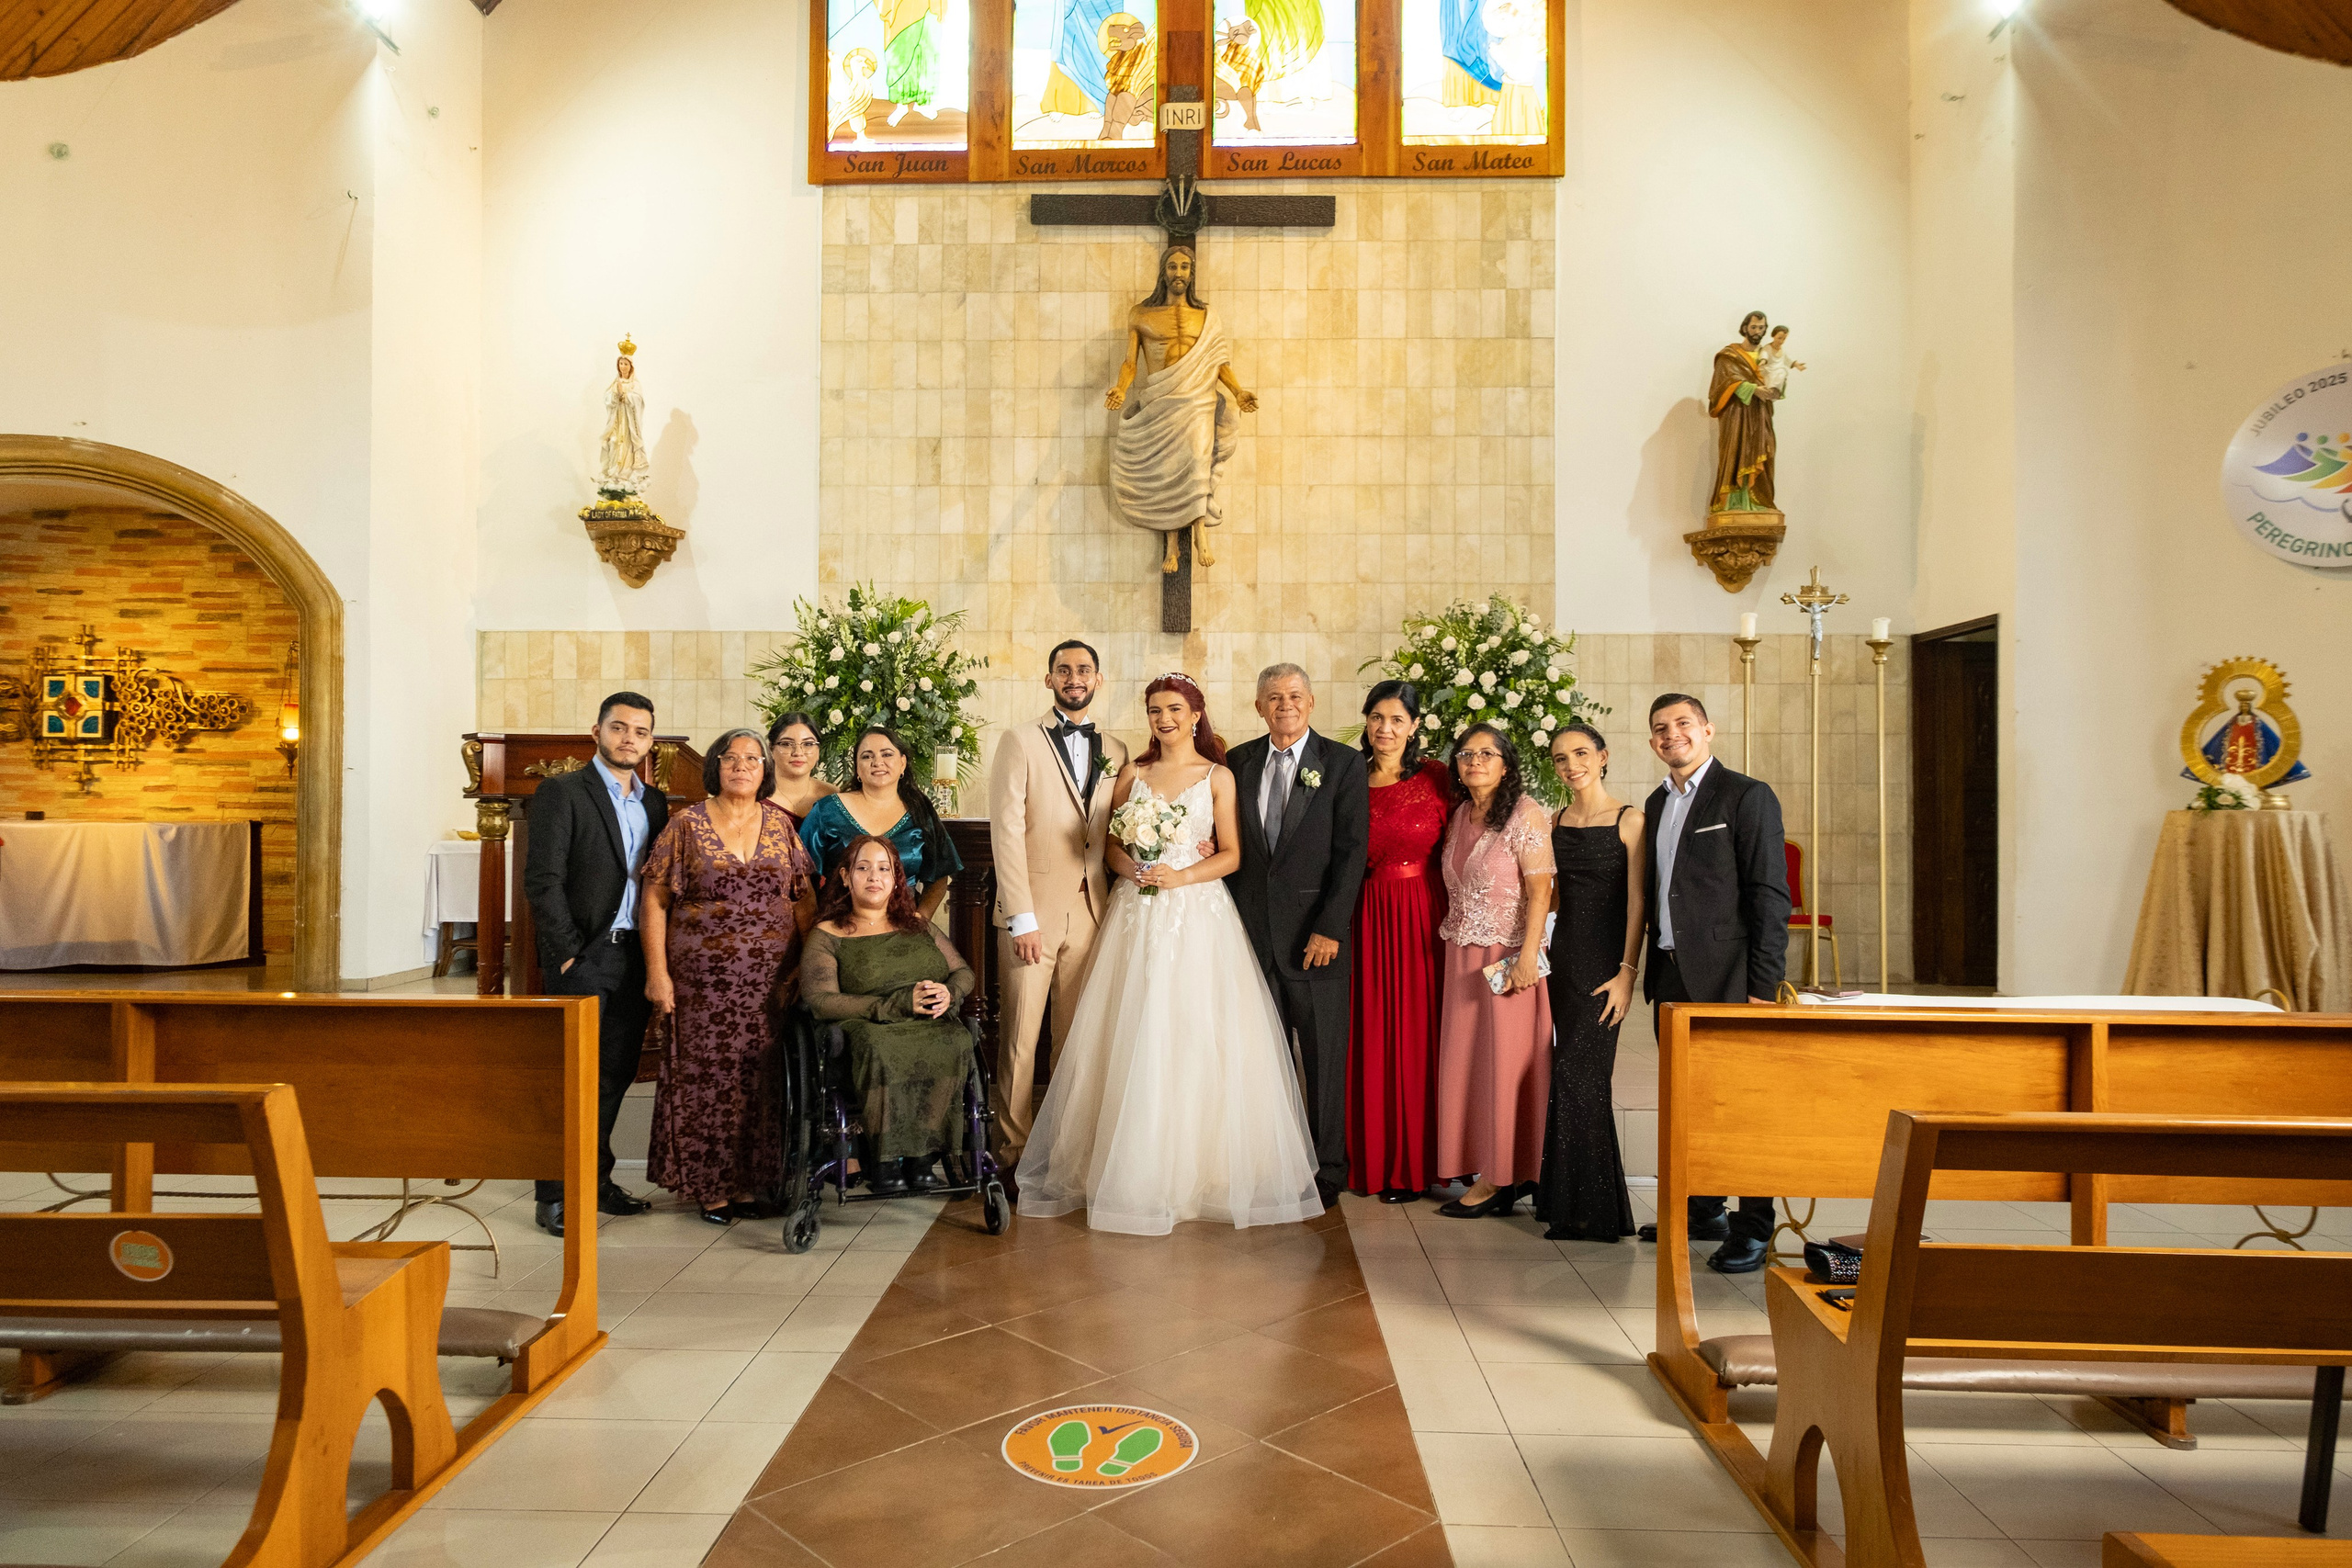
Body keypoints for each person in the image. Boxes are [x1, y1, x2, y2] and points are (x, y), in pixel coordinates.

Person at [1017, 673, 1323, 1235]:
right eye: (1155, 709)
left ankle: (1201, 1171)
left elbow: (1231, 855)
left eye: (1175, 709)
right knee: (1132, 1028)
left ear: (1196, 714)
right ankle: (1128, 1166)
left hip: (1197, 914)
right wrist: (1131, 867)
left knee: (1193, 1031)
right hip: (1136, 912)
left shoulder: (1219, 777)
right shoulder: (1132, 773)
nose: (1164, 718)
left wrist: (1180, 875)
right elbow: (1109, 844)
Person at [1634, 693, 1791, 1272]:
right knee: (1686, 1099)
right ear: (1652, 742)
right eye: (1659, 728)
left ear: (1707, 731)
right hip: (1672, 972)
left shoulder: (1746, 796)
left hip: (1732, 978)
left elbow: (1770, 895)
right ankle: (1703, 1210)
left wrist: (1762, 987)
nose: (1671, 734)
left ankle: (1754, 1225)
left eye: (1682, 724)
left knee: (1740, 1107)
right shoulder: (1656, 803)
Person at [640, 728, 819, 1225]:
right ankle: (709, 1187)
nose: (741, 766)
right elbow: (654, 901)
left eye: (752, 759)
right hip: (701, 983)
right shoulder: (685, 825)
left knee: (761, 1080)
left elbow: (803, 898)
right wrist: (657, 972)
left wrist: (807, 964)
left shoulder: (781, 827)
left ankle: (750, 1184)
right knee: (705, 1079)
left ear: (765, 770)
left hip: (770, 984)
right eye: (731, 758)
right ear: (715, 766)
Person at [521, 691, 667, 1238]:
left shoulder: (654, 803)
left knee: (614, 1075)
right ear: (597, 731)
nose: (629, 738)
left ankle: (596, 1182)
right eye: (619, 728)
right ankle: (554, 1195)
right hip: (583, 955)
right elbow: (543, 880)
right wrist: (564, 954)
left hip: (633, 956)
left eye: (640, 731)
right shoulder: (562, 793)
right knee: (570, 1079)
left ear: (651, 741)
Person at [1225, 663, 1371, 1208]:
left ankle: (1328, 1166)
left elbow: (1352, 852)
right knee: (1259, 1058)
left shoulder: (1342, 764)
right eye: (1272, 698)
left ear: (1310, 703)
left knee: (1322, 1059)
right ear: (1258, 706)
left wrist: (1331, 927)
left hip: (1316, 942)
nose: (1284, 705)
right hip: (1252, 937)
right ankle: (1268, 1162)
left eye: (1293, 696)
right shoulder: (1237, 762)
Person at [987, 639, 1131, 1171]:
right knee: (1022, 1041)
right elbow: (1006, 831)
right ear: (1049, 679)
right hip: (1034, 916)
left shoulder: (1116, 750)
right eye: (1064, 670)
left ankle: (1063, 1152)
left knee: (1074, 1040)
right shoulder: (1019, 740)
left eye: (1084, 669)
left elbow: (1121, 828)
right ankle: (1011, 1153)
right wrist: (1021, 917)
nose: (1075, 677)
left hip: (1094, 912)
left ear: (1098, 679)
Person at [801, 837, 978, 1196]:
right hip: (867, 1025)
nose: (874, 877)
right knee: (876, 1045)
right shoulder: (828, 934)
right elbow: (820, 1000)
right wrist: (892, 1006)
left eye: (884, 869)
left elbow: (963, 972)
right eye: (863, 868)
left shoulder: (917, 924)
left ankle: (923, 1158)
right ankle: (884, 1160)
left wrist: (950, 992)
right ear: (846, 877)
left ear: (897, 879)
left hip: (926, 1022)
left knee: (956, 1037)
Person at [1432, 724, 1556, 1219]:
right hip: (1462, 958)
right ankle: (1480, 1161)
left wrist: (1529, 955)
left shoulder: (1526, 813)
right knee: (1469, 1065)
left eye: (1487, 753)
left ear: (1507, 763)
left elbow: (1542, 891)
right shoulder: (1461, 813)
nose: (1475, 761)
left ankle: (1502, 1176)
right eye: (1466, 754)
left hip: (1509, 959)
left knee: (1504, 1067)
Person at [1534, 724, 1645, 1243]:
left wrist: (1627, 973)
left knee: (1583, 1076)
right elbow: (1552, 899)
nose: (1571, 764)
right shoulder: (1554, 822)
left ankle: (1593, 1212)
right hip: (1561, 965)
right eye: (1560, 758)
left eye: (1580, 753)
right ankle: (1568, 1204)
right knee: (1564, 1074)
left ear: (1602, 757)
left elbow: (1639, 904)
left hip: (1605, 969)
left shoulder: (1630, 821)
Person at [1348, 680, 1453, 1203]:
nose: (1385, 729)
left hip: (1422, 914)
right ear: (1365, 722)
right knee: (1371, 1032)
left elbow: (1477, 835)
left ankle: (1419, 1164)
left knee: (1418, 1033)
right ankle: (1374, 1157)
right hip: (1366, 916)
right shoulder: (1347, 776)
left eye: (1396, 720)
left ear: (1414, 727)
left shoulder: (1438, 777)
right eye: (1376, 718)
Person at [798, 724, 963, 921]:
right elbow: (802, 876)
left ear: (902, 764)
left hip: (902, 927)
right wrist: (812, 930)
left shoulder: (920, 811)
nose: (877, 762)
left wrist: (922, 918)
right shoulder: (826, 811)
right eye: (867, 756)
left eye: (887, 754)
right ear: (857, 768)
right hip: (839, 925)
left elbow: (939, 875)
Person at [1708, 310, 1781, 513]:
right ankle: (1733, 503)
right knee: (1737, 451)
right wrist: (1753, 389)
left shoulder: (1767, 356)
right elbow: (1722, 384)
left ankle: (1758, 502)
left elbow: (1776, 377)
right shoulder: (1729, 355)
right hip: (1737, 416)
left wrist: (1775, 390)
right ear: (1745, 328)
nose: (1757, 331)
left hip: (1760, 414)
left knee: (1765, 450)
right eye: (1753, 327)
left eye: (1761, 328)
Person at [766, 712, 838, 826]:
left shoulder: (832, 797)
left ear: (818, 751)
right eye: (787, 744)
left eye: (808, 744)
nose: (798, 752)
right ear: (771, 750)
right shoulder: (756, 796)